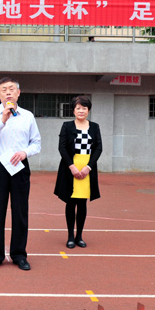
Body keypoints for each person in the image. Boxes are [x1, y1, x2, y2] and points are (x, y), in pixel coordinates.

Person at [0, 77, 41, 271]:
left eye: (12, 89)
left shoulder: (27, 116)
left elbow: (36, 143)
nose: (8, 92)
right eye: (4, 89)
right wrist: (2, 120)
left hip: (19, 164)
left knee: (20, 211)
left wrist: (25, 153)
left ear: (18, 93)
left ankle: (19, 254)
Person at [54, 95, 102, 249]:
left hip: (87, 168)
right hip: (70, 167)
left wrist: (88, 167)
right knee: (71, 201)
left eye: (84, 108)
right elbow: (62, 147)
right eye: (78, 108)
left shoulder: (94, 127)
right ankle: (70, 236)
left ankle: (79, 236)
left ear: (88, 110)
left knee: (82, 203)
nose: (81, 111)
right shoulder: (67, 126)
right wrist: (72, 167)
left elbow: (98, 148)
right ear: (74, 110)